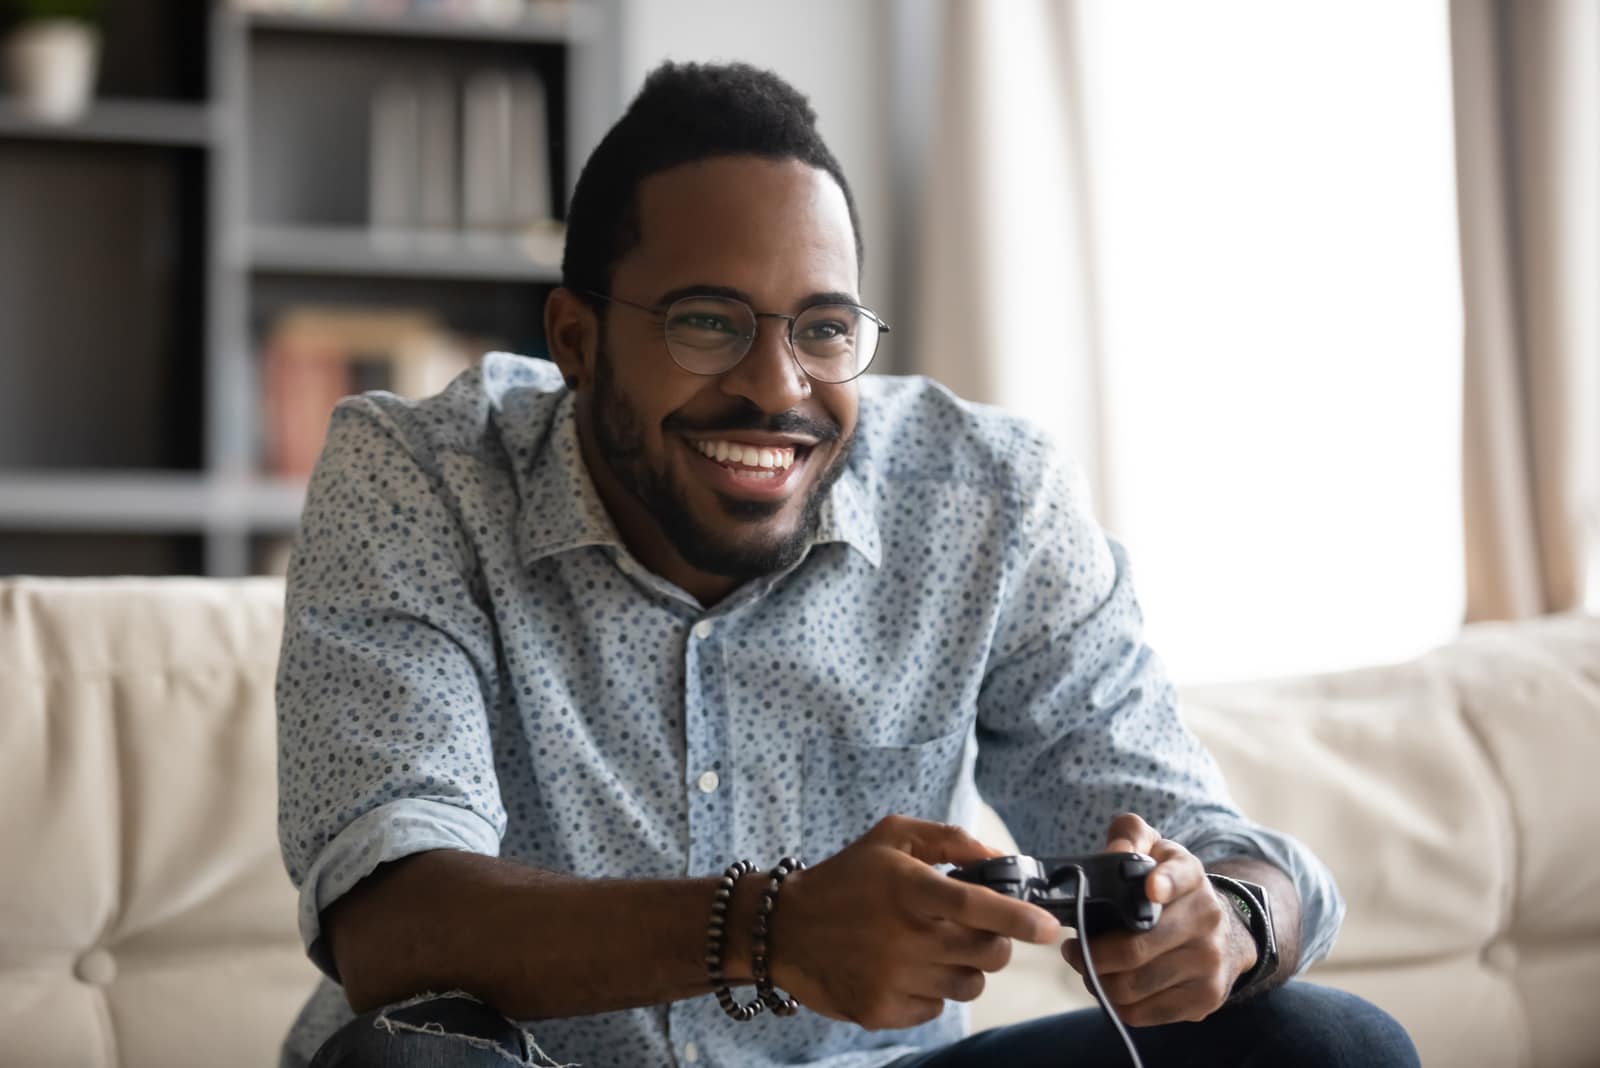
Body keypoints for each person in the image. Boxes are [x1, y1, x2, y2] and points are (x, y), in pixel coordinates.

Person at [276, 61, 1418, 1068]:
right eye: (708, 323)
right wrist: (765, 928)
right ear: (574, 340)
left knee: (1330, 1047)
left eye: (822, 329)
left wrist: (1227, 918)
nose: (778, 389)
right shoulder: (416, 476)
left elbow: (1206, 845)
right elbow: (392, 925)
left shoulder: (987, 500)